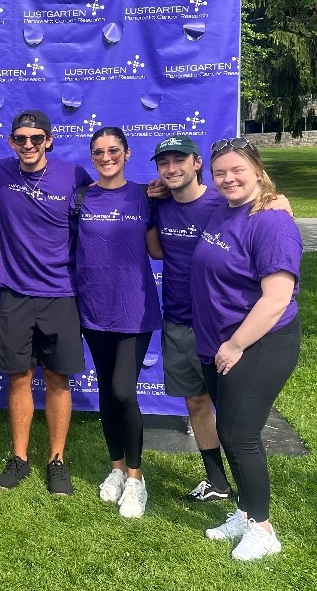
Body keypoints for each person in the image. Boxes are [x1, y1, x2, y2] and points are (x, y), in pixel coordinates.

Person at [192, 138, 301, 561]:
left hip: (259, 342)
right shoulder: (224, 208)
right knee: (229, 432)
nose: (228, 178)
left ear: (257, 169)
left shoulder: (272, 222)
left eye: (237, 169)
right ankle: (245, 511)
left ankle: (264, 529)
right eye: (220, 172)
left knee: (241, 435)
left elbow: (276, 298)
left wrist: (235, 345)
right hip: (221, 341)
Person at [0, 109, 91, 496]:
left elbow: (106, 201)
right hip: (14, 292)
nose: (28, 145)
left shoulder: (73, 175)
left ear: (49, 140)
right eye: (21, 138)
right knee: (18, 377)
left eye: (36, 138)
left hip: (60, 292)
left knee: (57, 378)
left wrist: (152, 193)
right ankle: (19, 458)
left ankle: (57, 460)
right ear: (11, 142)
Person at [72, 126, 162, 517]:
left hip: (135, 309)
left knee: (124, 392)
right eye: (98, 152)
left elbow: (158, 250)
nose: (106, 157)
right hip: (93, 310)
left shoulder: (146, 195)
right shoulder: (80, 198)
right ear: (92, 157)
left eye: (113, 150)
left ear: (127, 153)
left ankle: (137, 479)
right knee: (108, 392)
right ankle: (116, 469)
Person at [150, 135, 234, 502]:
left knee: (233, 412)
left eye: (179, 160)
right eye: (164, 162)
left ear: (197, 163)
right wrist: (149, 204)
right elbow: (157, 252)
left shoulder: (223, 203)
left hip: (221, 325)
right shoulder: (161, 205)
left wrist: (277, 200)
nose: (171, 169)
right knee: (196, 403)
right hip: (178, 321)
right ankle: (217, 483)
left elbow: (262, 209)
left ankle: (249, 490)